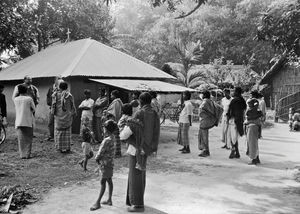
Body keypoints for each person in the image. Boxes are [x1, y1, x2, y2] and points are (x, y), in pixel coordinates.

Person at [120, 92, 160, 213]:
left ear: (141, 101)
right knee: (140, 175)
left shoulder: (140, 113)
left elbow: (127, 132)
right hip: (146, 148)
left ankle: (137, 204)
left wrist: (121, 133)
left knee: (135, 176)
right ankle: (134, 200)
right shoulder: (154, 113)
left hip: (135, 148)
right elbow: (155, 131)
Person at [90, 120, 118, 211]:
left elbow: (100, 152)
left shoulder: (106, 140)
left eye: (104, 128)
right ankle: (109, 199)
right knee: (109, 180)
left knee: (103, 182)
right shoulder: (113, 138)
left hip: (104, 164)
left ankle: (98, 202)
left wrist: (96, 158)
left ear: (106, 129)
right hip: (110, 163)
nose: (103, 129)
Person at [51, 81, 76, 153]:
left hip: (58, 116)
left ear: (59, 87)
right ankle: (67, 147)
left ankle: (60, 147)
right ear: (67, 87)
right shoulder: (69, 95)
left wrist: (53, 113)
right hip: (67, 116)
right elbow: (72, 106)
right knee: (67, 132)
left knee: (59, 132)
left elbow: (53, 106)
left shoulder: (55, 95)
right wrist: (73, 113)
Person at [13, 84, 35, 159]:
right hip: (27, 121)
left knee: (21, 139)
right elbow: (33, 108)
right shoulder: (29, 99)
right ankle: (27, 154)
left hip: (18, 121)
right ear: (26, 91)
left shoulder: (15, 99)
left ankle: (22, 155)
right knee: (28, 138)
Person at [227, 87, 247, 159]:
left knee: (233, 137)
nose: (233, 93)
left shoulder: (234, 100)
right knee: (235, 137)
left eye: (234, 91)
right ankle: (237, 152)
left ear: (237, 92)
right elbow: (244, 110)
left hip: (234, 120)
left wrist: (228, 117)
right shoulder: (243, 100)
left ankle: (233, 151)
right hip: (240, 120)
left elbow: (230, 111)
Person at [198, 90, 216, 157]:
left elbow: (201, 110)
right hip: (207, 120)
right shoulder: (210, 101)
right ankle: (205, 150)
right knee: (204, 135)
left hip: (204, 121)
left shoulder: (205, 102)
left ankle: (205, 150)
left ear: (204, 95)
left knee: (204, 136)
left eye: (202, 94)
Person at [245, 98, 263, 165]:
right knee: (255, 144)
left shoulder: (251, 111)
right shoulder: (257, 111)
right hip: (255, 127)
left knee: (252, 144)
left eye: (249, 104)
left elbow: (249, 117)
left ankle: (254, 159)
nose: (249, 105)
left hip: (252, 128)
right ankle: (257, 158)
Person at [106, 90, 123, 157]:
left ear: (114, 95)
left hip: (113, 121)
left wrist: (107, 112)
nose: (110, 96)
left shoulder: (116, 102)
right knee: (116, 137)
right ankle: (117, 152)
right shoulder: (119, 101)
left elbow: (114, 112)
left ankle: (115, 152)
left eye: (111, 95)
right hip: (116, 121)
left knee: (113, 137)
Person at [46, 76, 62, 141]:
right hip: (52, 107)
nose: (60, 80)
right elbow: (48, 96)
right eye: (58, 79)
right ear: (55, 80)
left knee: (59, 123)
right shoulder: (51, 88)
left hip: (59, 108)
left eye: (60, 79)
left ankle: (57, 137)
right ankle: (51, 135)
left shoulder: (61, 89)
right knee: (50, 122)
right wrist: (49, 103)